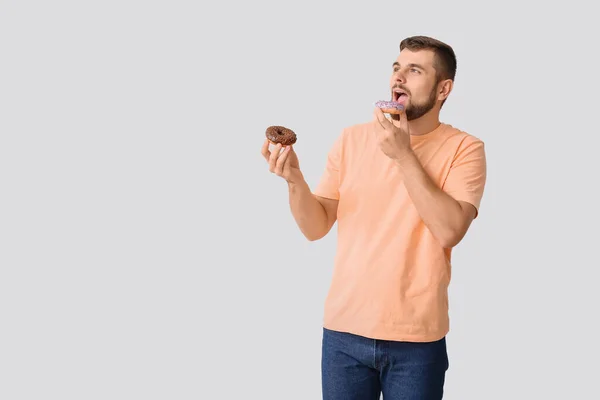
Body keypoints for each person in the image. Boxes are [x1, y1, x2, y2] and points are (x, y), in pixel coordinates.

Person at [261, 35, 487, 400]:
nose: (399, 77)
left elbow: (449, 230)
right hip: (343, 334)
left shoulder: (466, 149)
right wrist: (294, 180)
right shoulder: (351, 139)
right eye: (396, 68)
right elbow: (315, 227)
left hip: (417, 341)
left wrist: (403, 155)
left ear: (444, 88)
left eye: (415, 70)